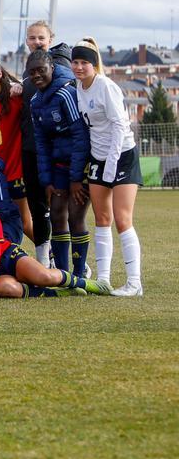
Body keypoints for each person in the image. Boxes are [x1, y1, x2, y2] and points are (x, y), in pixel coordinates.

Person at [0, 170, 108, 298]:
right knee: (8, 289)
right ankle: (56, 293)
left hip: (7, 258)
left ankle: (86, 284)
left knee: (44, 277)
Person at [71, 37, 143, 296]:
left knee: (122, 219)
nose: (79, 67)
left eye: (84, 63)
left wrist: (111, 162)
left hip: (121, 155)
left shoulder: (106, 86)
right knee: (102, 218)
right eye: (75, 62)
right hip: (98, 158)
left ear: (94, 65)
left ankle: (134, 283)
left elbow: (119, 126)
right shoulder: (78, 86)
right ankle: (103, 279)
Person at [0, 54, 45, 262]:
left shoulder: (15, 96)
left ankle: (51, 255)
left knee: (25, 220)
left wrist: (21, 86)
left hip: (16, 168)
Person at [27, 49, 90, 275]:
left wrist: (77, 178)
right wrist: (47, 181)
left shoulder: (66, 93)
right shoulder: (35, 101)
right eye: (32, 72)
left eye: (41, 70)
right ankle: (63, 275)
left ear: (51, 69)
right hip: (58, 168)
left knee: (75, 215)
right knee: (56, 214)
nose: (37, 75)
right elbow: (41, 143)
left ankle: (80, 274)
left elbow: (81, 135)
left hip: (79, 166)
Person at [19, 21, 74, 265]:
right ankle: (44, 261)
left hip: (56, 151)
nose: (37, 42)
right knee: (37, 206)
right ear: (26, 42)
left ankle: (72, 265)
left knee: (62, 210)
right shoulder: (28, 73)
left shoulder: (61, 69)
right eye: (32, 38)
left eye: (41, 37)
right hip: (32, 147)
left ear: (50, 39)